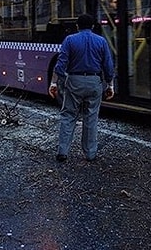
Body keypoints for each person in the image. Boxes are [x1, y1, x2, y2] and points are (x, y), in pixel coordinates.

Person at [48, 13, 115, 163]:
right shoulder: (101, 41)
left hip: (74, 81)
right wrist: (110, 84)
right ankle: (90, 153)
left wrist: (53, 83)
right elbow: (108, 66)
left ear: (77, 26)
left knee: (68, 115)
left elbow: (61, 64)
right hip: (94, 82)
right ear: (92, 26)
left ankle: (63, 151)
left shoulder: (70, 40)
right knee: (91, 118)